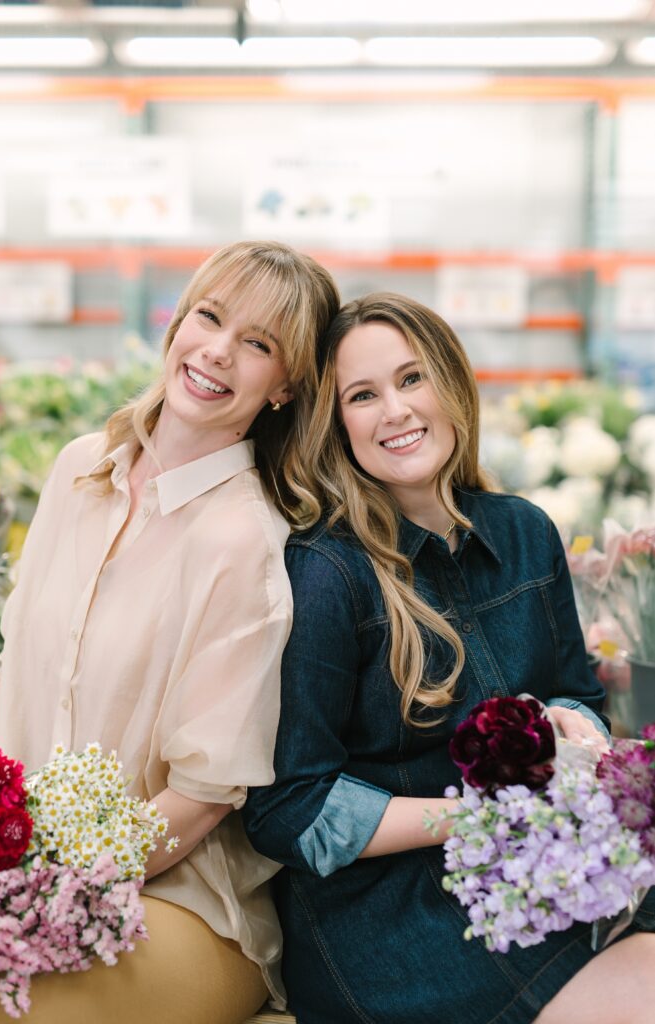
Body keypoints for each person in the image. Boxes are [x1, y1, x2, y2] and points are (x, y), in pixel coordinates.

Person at [243, 293, 655, 1024]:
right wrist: (471, 822)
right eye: (362, 396)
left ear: (451, 386)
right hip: (395, 916)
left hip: (540, 859)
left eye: (410, 379)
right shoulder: (329, 573)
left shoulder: (523, 532)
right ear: (337, 427)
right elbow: (289, 810)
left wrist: (573, 730)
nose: (394, 410)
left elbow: (573, 691)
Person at [0, 240, 340, 1024]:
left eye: (258, 344)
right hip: (24, 873)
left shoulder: (240, 540)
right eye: (209, 317)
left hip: (177, 903)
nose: (217, 351)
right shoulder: (79, 471)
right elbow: (15, 673)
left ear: (285, 388)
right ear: (176, 320)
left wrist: (61, 885)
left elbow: (205, 794)